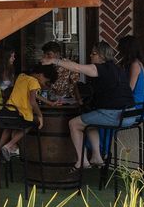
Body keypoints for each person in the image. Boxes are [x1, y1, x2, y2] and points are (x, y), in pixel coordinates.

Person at [43, 41, 134, 170]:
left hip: (115, 115)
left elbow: (77, 68)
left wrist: (54, 61)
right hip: (131, 114)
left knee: (74, 124)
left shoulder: (100, 68)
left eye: (94, 53)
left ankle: (81, 161)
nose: (90, 56)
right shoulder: (118, 69)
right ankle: (96, 156)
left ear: (102, 56)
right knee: (88, 119)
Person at [0, 68, 47, 159]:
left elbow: (35, 95)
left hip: (7, 111)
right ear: (41, 75)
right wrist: (40, 116)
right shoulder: (34, 81)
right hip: (18, 113)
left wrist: (49, 102)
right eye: (46, 81)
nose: (44, 83)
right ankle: (9, 146)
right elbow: (33, 101)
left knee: (8, 127)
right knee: (30, 124)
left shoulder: (21, 76)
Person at [117, 34, 144, 117]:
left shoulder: (135, 65)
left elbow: (129, 89)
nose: (120, 52)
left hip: (135, 106)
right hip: (137, 103)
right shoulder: (138, 63)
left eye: (121, 49)